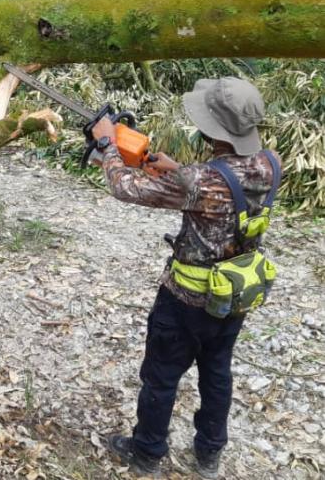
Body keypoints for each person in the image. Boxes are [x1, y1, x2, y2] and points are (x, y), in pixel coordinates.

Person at [94, 77, 282, 479]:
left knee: (161, 375)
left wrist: (108, 143)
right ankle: (209, 452)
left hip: (185, 299)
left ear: (212, 127)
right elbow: (226, 191)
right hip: (233, 297)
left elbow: (124, 186)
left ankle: (146, 451)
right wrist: (177, 170)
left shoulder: (199, 181)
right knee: (217, 373)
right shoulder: (271, 163)